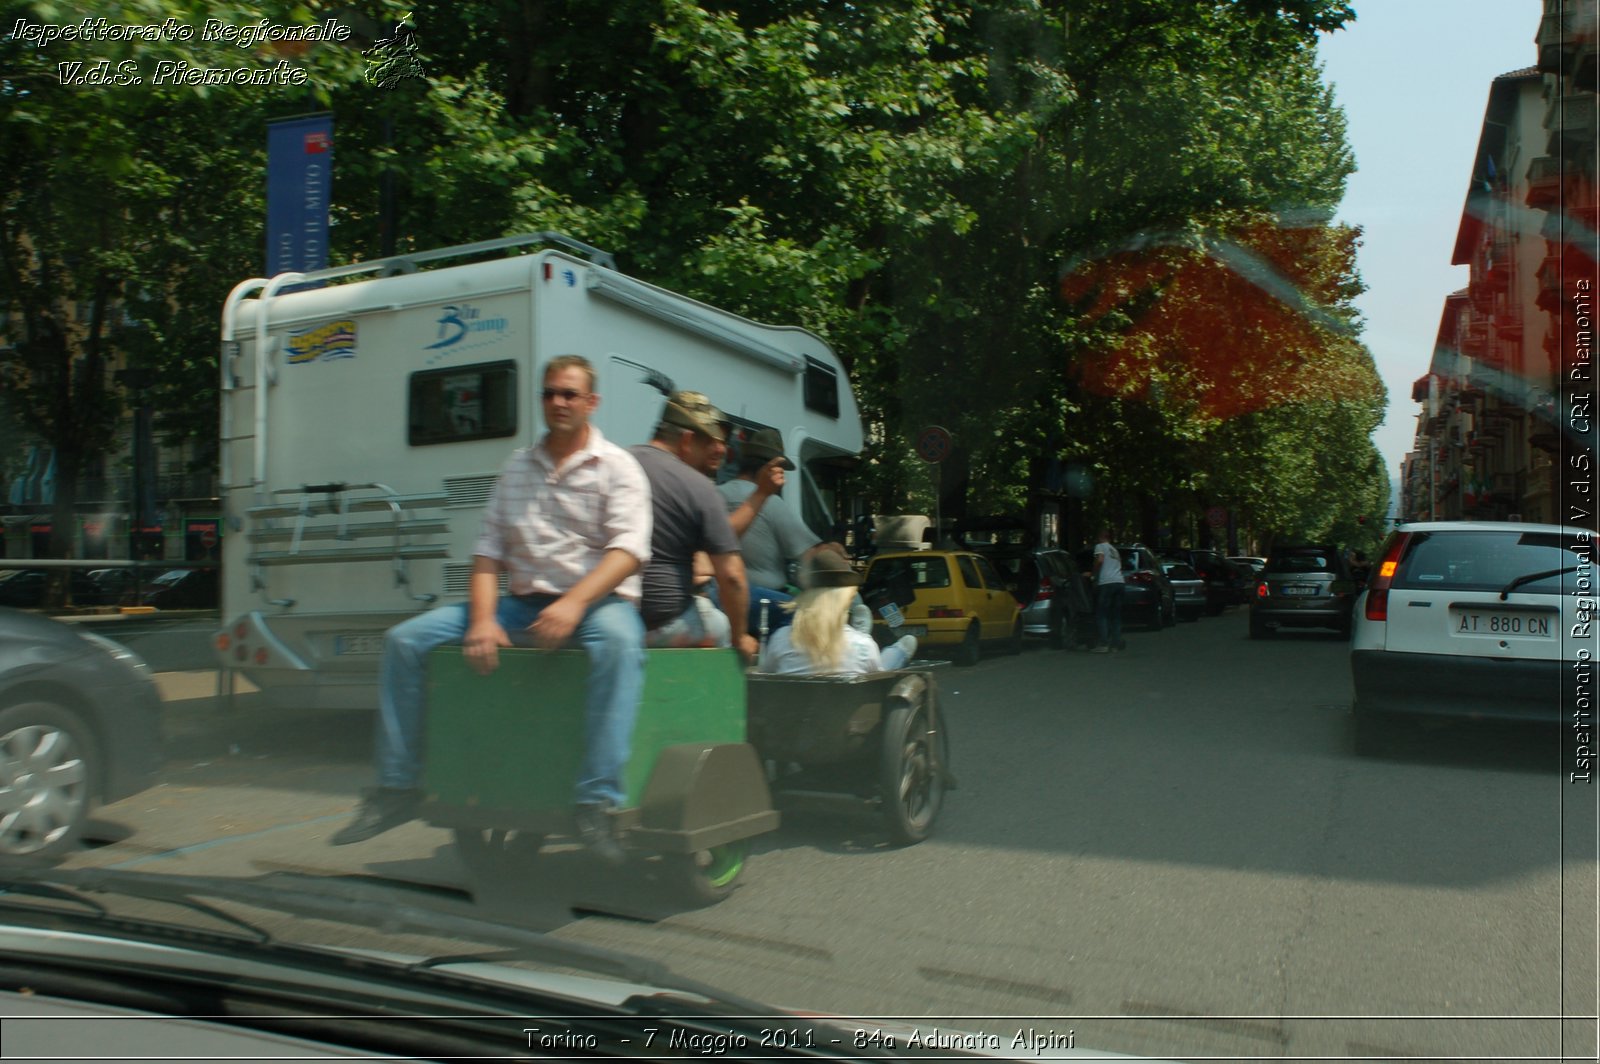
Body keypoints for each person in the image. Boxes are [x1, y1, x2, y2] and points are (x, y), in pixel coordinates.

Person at [331, 355, 652, 863]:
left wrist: (572, 605)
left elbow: (628, 553)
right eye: (549, 393)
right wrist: (482, 620)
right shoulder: (517, 467)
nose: (558, 402)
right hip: (519, 605)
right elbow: (487, 556)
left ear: (592, 402)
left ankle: (596, 803)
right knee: (406, 641)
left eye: (569, 394)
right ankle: (398, 790)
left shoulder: (618, 467)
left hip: (595, 604)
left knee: (620, 643)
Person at [629, 392, 758, 662]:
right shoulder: (697, 485)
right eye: (710, 442)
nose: (719, 451)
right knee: (720, 625)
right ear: (687, 440)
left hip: (609, 618)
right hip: (660, 625)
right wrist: (740, 637)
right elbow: (732, 578)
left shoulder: (615, 463)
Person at [716, 427, 859, 636]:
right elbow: (810, 554)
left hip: (720, 600)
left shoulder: (715, 494)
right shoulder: (771, 503)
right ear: (771, 468)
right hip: (763, 604)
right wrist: (831, 552)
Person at [758, 552, 917, 675]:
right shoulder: (864, 646)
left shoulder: (780, 639)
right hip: (852, 713)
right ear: (845, 600)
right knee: (887, 659)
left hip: (792, 715)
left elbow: (768, 676)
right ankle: (897, 650)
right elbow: (878, 682)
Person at [1091, 529, 1126, 654]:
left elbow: (1100, 560)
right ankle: (1115, 644)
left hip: (1107, 582)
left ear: (1100, 537)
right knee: (1115, 615)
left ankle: (1104, 643)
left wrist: (1093, 573)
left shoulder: (1100, 546)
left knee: (1102, 613)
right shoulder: (1114, 551)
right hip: (1119, 582)